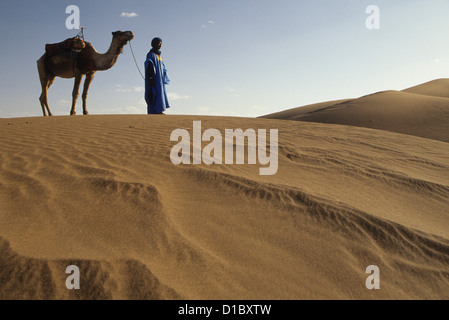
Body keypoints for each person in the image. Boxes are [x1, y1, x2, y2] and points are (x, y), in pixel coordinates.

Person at [144, 37, 170, 114]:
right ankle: (153, 112)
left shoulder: (160, 57)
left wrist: (165, 77)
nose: (160, 45)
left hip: (160, 80)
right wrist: (151, 78)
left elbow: (163, 68)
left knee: (160, 94)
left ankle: (159, 111)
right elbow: (149, 66)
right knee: (153, 94)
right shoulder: (151, 55)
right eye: (158, 43)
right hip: (153, 79)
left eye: (160, 44)